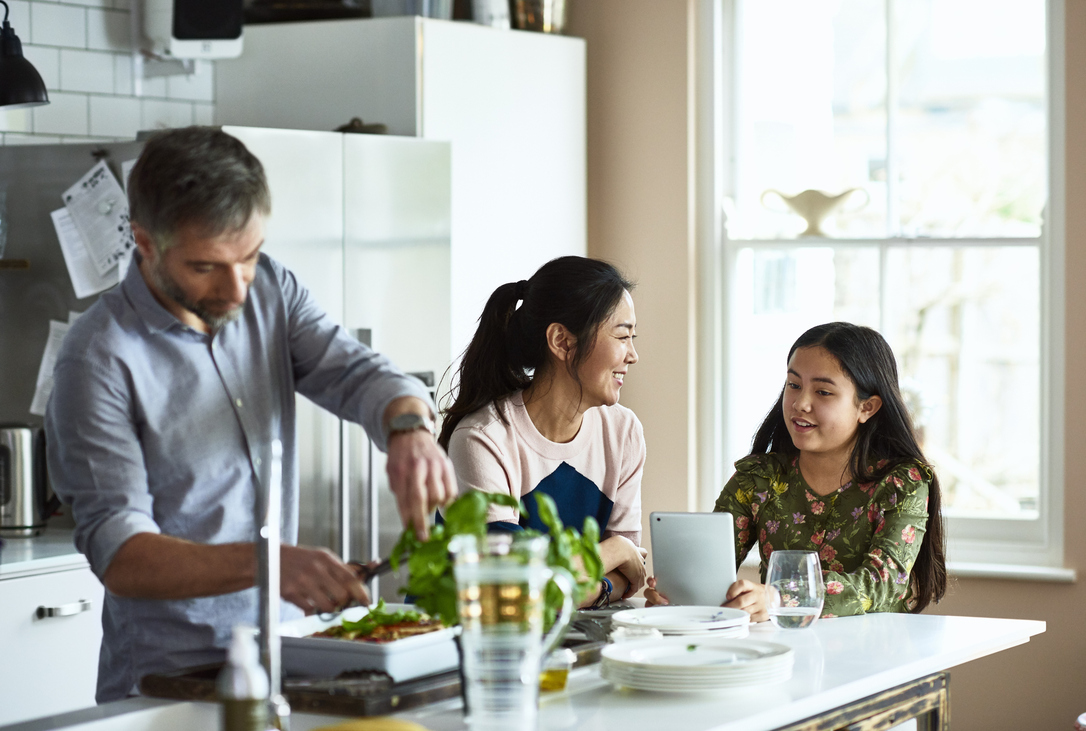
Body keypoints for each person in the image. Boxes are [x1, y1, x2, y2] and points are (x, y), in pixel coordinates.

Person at [45, 126, 457, 703]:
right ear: (145, 242)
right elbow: (124, 555)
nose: (238, 287)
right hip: (171, 684)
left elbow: (359, 373)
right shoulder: (98, 358)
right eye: (206, 266)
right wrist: (271, 565)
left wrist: (409, 426)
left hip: (288, 655)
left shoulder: (270, 289)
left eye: (250, 256)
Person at [646, 322, 947, 619]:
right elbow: (709, 571)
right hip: (778, 651)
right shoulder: (758, 478)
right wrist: (678, 597)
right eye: (794, 385)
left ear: (866, 408)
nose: (800, 403)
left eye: (824, 392)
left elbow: (881, 584)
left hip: (874, 657)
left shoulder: (902, 483)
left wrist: (780, 598)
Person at [441, 256, 648, 608]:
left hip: (569, 638)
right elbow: (515, 590)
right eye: (622, 335)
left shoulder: (622, 431)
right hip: (475, 644)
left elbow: (630, 575)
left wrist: (607, 570)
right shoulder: (483, 439)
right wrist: (613, 551)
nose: (633, 355)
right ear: (562, 342)